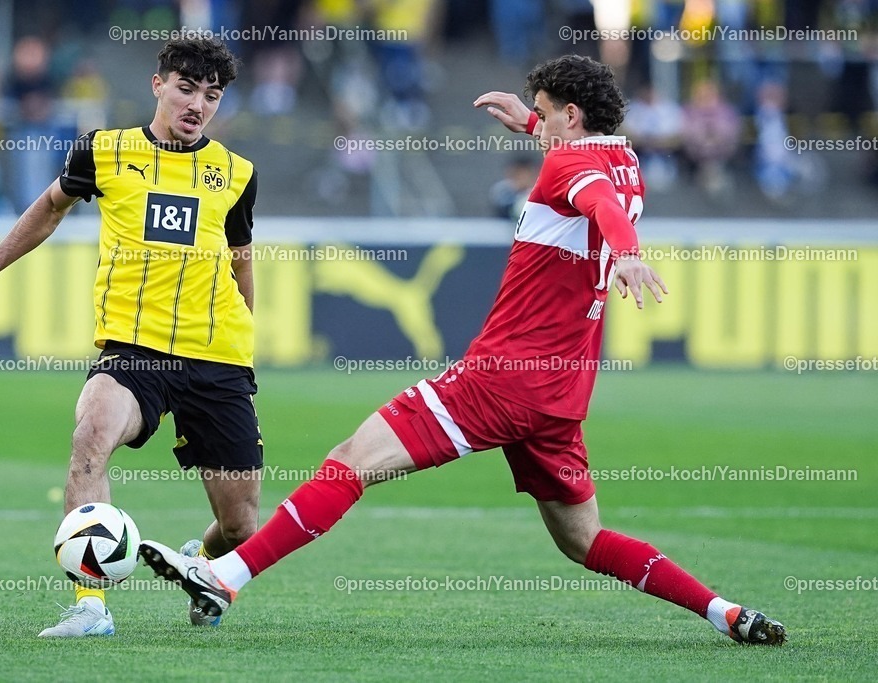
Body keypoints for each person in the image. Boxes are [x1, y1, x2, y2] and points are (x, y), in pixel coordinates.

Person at [139, 55, 787, 646]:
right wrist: (532, 119)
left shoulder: (571, 165)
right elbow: (595, 183)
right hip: (560, 395)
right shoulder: (626, 162)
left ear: (571, 114)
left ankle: (225, 574)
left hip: (500, 378)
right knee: (584, 538)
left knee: (351, 461)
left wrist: (628, 253)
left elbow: (589, 196)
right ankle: (723, 609)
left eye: (544, 110)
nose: (540, 128)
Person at [0, 37, 263, 637]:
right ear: (157, 85)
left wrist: (245, 325)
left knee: (243, 526)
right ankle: (90, 606)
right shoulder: (104, 151)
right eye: (186, 88)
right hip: (133, 350)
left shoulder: (237, 174)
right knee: (91, 435)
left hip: (217, 353)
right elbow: (48, 207)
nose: (198, 103)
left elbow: (241, 256)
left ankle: (197, 563)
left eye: (212, 94)